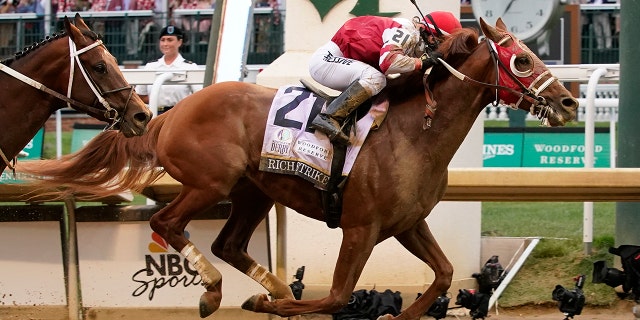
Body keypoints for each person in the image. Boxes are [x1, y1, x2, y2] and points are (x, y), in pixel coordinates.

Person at [308, 11, 462, 145]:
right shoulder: (407, 32)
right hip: (326, 61)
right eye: (442, 43)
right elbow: (388, 62)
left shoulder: (412, 37)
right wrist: (421, 62)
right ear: (431, 36)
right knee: (376, 78)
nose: (441, 49)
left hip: (342, 61)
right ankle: (329, 117)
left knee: (383, 85)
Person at [135, 25, 202, 113]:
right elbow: (140, 95)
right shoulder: (151, 66)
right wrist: (157, 102)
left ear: (179, 42)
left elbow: (199, 95)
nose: (165, 44)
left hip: (179, 114)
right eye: (163, 40)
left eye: (170, 40)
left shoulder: (190, 67)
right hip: (156, 115)